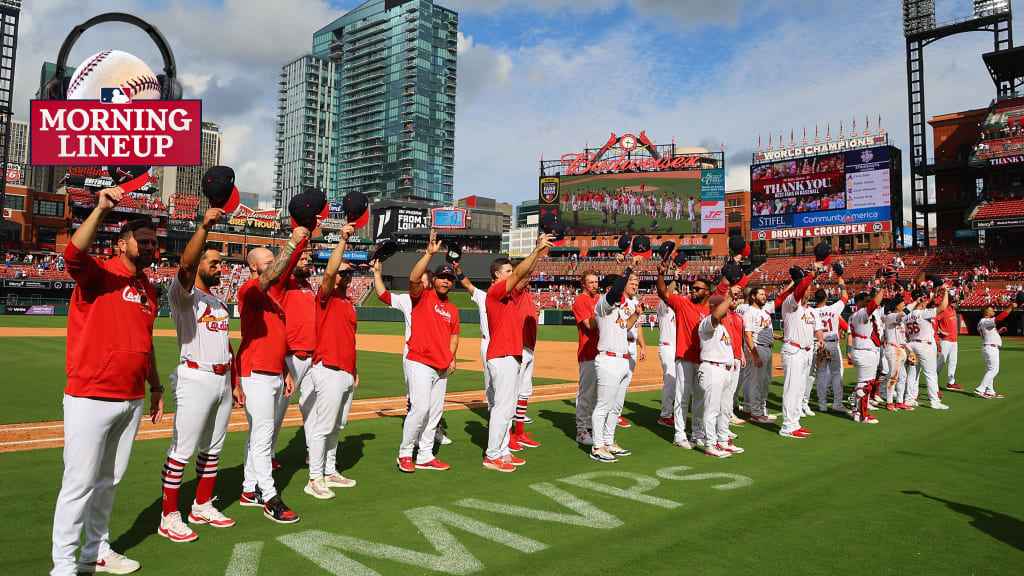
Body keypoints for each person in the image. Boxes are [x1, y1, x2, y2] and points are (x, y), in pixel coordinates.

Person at [51, 187, 163, 576]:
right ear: (121, 245)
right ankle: (63, 564)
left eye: (153, 243)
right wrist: (100, 209)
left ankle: (96, 550)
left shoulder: (149, 289)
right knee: (78, 483)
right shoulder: (99, 275)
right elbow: (73, 255)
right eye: (143, 241)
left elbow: (144, 343)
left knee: (109, 481)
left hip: (131, 397)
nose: (150, 247)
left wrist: (157, 386)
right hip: (91, 395)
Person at [159, 207, 236, 544]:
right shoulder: (183, 296)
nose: (220, 267)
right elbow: (187, 265)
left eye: (221, 263)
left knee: (213, 448)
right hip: (195, 376)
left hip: (221, 380)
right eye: (214, 262)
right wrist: (203, 226)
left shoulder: (218, 303)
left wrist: (236, 382)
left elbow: (226, 343)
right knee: (182, 449)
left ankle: (201, 505)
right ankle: (169, 515)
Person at [237, 225, 310, 524]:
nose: (273, 266)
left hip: (271, 371)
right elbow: (274, 274)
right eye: (268, 262)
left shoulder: (273, 297)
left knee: (259, 435)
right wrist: (291, 245)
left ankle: (248, 489)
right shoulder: (248, 290)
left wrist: (284, 370)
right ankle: (269, 496)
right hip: (255, 372)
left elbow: (275, 338)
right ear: (254, 267)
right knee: (265, 435)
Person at [483, 234, 552, 472]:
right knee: (502, 409)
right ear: (496, 276)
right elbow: (519, 275)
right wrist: (535, 250)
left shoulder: (512, 295)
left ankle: (502, 451)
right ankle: (492, 455)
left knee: (508, 408)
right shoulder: (494, 292)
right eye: (507, 270)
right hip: (501, 355)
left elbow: (524, 275)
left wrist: (538, 253)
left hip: (511, 355)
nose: (512, 273)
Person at [655, 259, 738, 449]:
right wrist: (661, 274)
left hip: (703, 360)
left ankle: (698, 433)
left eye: (698, 288)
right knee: (682, 397)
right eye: (693, 287)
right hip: (684, 357)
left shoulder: (710, 308)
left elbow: (723, 294)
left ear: (707, 292)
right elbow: (663, 292)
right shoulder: (682, 303)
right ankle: (679, 434)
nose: (693, 290)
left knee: (700, 398)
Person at [396, 230, 460, 473]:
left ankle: (424, 455)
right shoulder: (421, 297)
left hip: (441, 366)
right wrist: (429, 254)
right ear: (434, 280)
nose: (445, 281)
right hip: (420, 361)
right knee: (420, 408)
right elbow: (413, 278)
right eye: (442, 278)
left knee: (434, 413)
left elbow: (454, 335)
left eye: (449, 279)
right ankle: (405, 452)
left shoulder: (453, 309)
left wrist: (451, 357)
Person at [304, 224, 359, 497]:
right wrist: (343, 241)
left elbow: (350, 339)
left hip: (346, 371)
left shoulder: (348, 303)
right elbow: (328, 273)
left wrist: (355, 371)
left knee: (337, 426)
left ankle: (329, 470)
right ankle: (314, 478)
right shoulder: (325, 295)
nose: (347, 276)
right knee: (322, 426)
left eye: (350, 272)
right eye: (344, 271)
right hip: (328, 368)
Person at [590, 263, 643, 463]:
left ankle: (609, 441)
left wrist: (636, 315)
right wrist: (628, 270)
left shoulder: (619, 309)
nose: (621, 291)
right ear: (609, 289)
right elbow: (615, 292)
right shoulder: (603, 304)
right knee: (603, 406)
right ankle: (597, 446)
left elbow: (625, 328)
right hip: (608, 360)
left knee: (615, 407)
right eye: (617, 287)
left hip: (622, 360)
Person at [277, 248, 317, 470]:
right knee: (277, 412)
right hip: (289, 356)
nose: (307, 261)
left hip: (311, 356)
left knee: (313, 409)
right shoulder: (283, 283)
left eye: (307, 258)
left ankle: (314, 452)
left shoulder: (308, 286)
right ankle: (268, 454)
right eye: (302, 258)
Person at [776, 267, 819, 439]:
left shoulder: (806, 309)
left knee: (799, 390)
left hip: (805, 352)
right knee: (791, 389)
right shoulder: (789, 302)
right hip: (793, 350)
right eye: (807, 287)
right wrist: (810, 276)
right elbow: (799, 289)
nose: (809, 290)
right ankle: (787, 426)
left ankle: (795, 423)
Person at [697, 293, 740, 457]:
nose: (727, 310)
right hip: (712, 370)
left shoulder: (723, 327)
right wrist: (729, 298)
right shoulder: (707, 323)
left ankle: (722, 441)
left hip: (726, 371)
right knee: (712, 409)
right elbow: (715, 315)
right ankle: (710, 444)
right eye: (724, 307)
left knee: (725, 409)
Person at [509, 277, 542, 450]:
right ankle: (507, 436)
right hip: (517, 347)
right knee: (511, 395)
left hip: (529, 348)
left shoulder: (527, 295)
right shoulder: (514, 293)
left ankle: (519, 432)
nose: (528, 279)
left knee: (524, 393)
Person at [743, 285, 783, 424]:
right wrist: (755, 355)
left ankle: (762, 410)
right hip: (758, 348)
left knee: (765, 382)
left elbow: (766, 331)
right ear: (753, 296)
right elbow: (748, 335)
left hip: (768, 348)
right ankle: (755, 413)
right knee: (756, 382)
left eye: (764, 294)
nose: (764, 296)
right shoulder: (749, 312)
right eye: (760, 294)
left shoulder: (764, 312)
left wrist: (777, 337)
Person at [905, 288, 950, 410]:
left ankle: (909, 399)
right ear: (922, 299)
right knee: (930, 374)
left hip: (912, 344)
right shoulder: (923, 313)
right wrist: (946, 292)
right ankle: (934, 401)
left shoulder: (907, 315)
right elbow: (943, 307)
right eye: (925, 298)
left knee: (912, 373)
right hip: (925, 345)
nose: (926, 301)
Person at [810, 279, 848, 414]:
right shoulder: (833, 308)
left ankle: (822, 405)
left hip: (819, 343)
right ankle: (837, 403)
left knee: (820, 374)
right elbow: (845, 297)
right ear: (826, 298)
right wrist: (842, 284)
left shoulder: (812, 312)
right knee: (836, 373)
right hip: (832, 344)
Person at [573, 270, 601, 446]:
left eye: (596, 282)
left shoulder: (598, 299)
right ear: (583, 284)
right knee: (586, 394)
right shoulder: (580, 300)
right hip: (588, 352)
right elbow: (588, 326)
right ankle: (581, 430)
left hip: (601, 353)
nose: (595, 285)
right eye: (591, 282)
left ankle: (591, 427)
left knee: (598, 395)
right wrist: (602, 312)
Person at [848, 289, 884, 423]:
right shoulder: (861, 313)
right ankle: (862, 415)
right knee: (866, 385)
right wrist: (883, 286)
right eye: (866, 300)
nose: (868, 301)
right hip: (865, 351)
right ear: (860, 302)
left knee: (864, 384)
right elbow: (875, 303)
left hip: (864, 350)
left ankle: (857, 412)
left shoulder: (856, 315)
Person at [975, 302, 1016, 398]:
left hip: (988, 347)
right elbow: (999, 318)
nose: (993, 310)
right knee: (994, 370)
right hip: (991, 348)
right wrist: (1010, 307)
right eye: (991, 309)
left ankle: (990, 391)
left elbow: (989, 333)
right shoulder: (985, 321)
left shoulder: (983, 322)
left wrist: (999, 331)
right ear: (986, 312)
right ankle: (980, 388)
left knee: (990, 370)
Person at [655, 280, 677, 428]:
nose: (673, 297)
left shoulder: (677, 310)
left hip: (677, 348)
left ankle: (673, 412)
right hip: (667, 347)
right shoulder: (663, 308)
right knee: (670, 382)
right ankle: (665, 415)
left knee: (677, 382)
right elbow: (665, 294)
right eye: (672, 295)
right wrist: (674, 279)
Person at [936, 303, 961, 391]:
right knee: (941, 362)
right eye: (954, 301)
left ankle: (951, 382)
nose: (956, 302)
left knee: (953, 361)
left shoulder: (954, 310)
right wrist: (940, 331)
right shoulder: (944, 310)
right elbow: (935, 321)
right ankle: (933, 382)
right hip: (945, 340)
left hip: (954, 340)